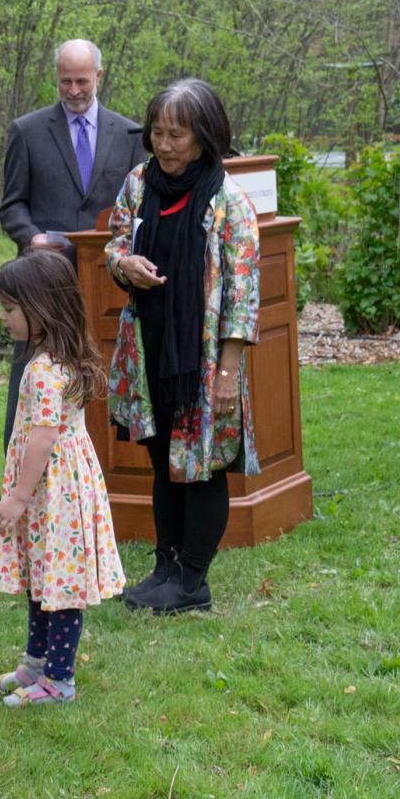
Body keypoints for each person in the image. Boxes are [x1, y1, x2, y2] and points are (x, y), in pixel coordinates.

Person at [103, 77, 261, 615]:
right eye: (158, 133)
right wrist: (122, 264)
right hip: (148, 353)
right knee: (162, 461)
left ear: (206, 135)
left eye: (178, 135)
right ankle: (165, 568)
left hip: (204, 360)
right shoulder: (137, 183)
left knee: (204, 464)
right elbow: (114, 245)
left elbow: (242, 296)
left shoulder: (228, 201)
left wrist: (228, 375)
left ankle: (193, 581)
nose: (165, 145)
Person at [0, 251, 125, 706]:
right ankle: (36, 665)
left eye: (10, 308)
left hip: (53, 491)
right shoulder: (54, 358)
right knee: (43, 575)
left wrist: (18, 499)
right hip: (56, 487)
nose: (3, 317)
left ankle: (59, 681)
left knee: (60, 585)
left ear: (40, 306)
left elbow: (43, 441)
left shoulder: (46, 371)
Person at [0, 39, 148, 452]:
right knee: (33, 365)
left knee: (102, 361)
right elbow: (11, 207)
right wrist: (32, 238)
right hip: (44, 279)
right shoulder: (26, 132)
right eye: (66, 81)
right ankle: (21, 460)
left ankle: (101, 458)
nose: (75, 90)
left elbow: (140, 206)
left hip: (108, 277)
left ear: (99, 76)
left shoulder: (132, 133)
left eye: (83, 80)